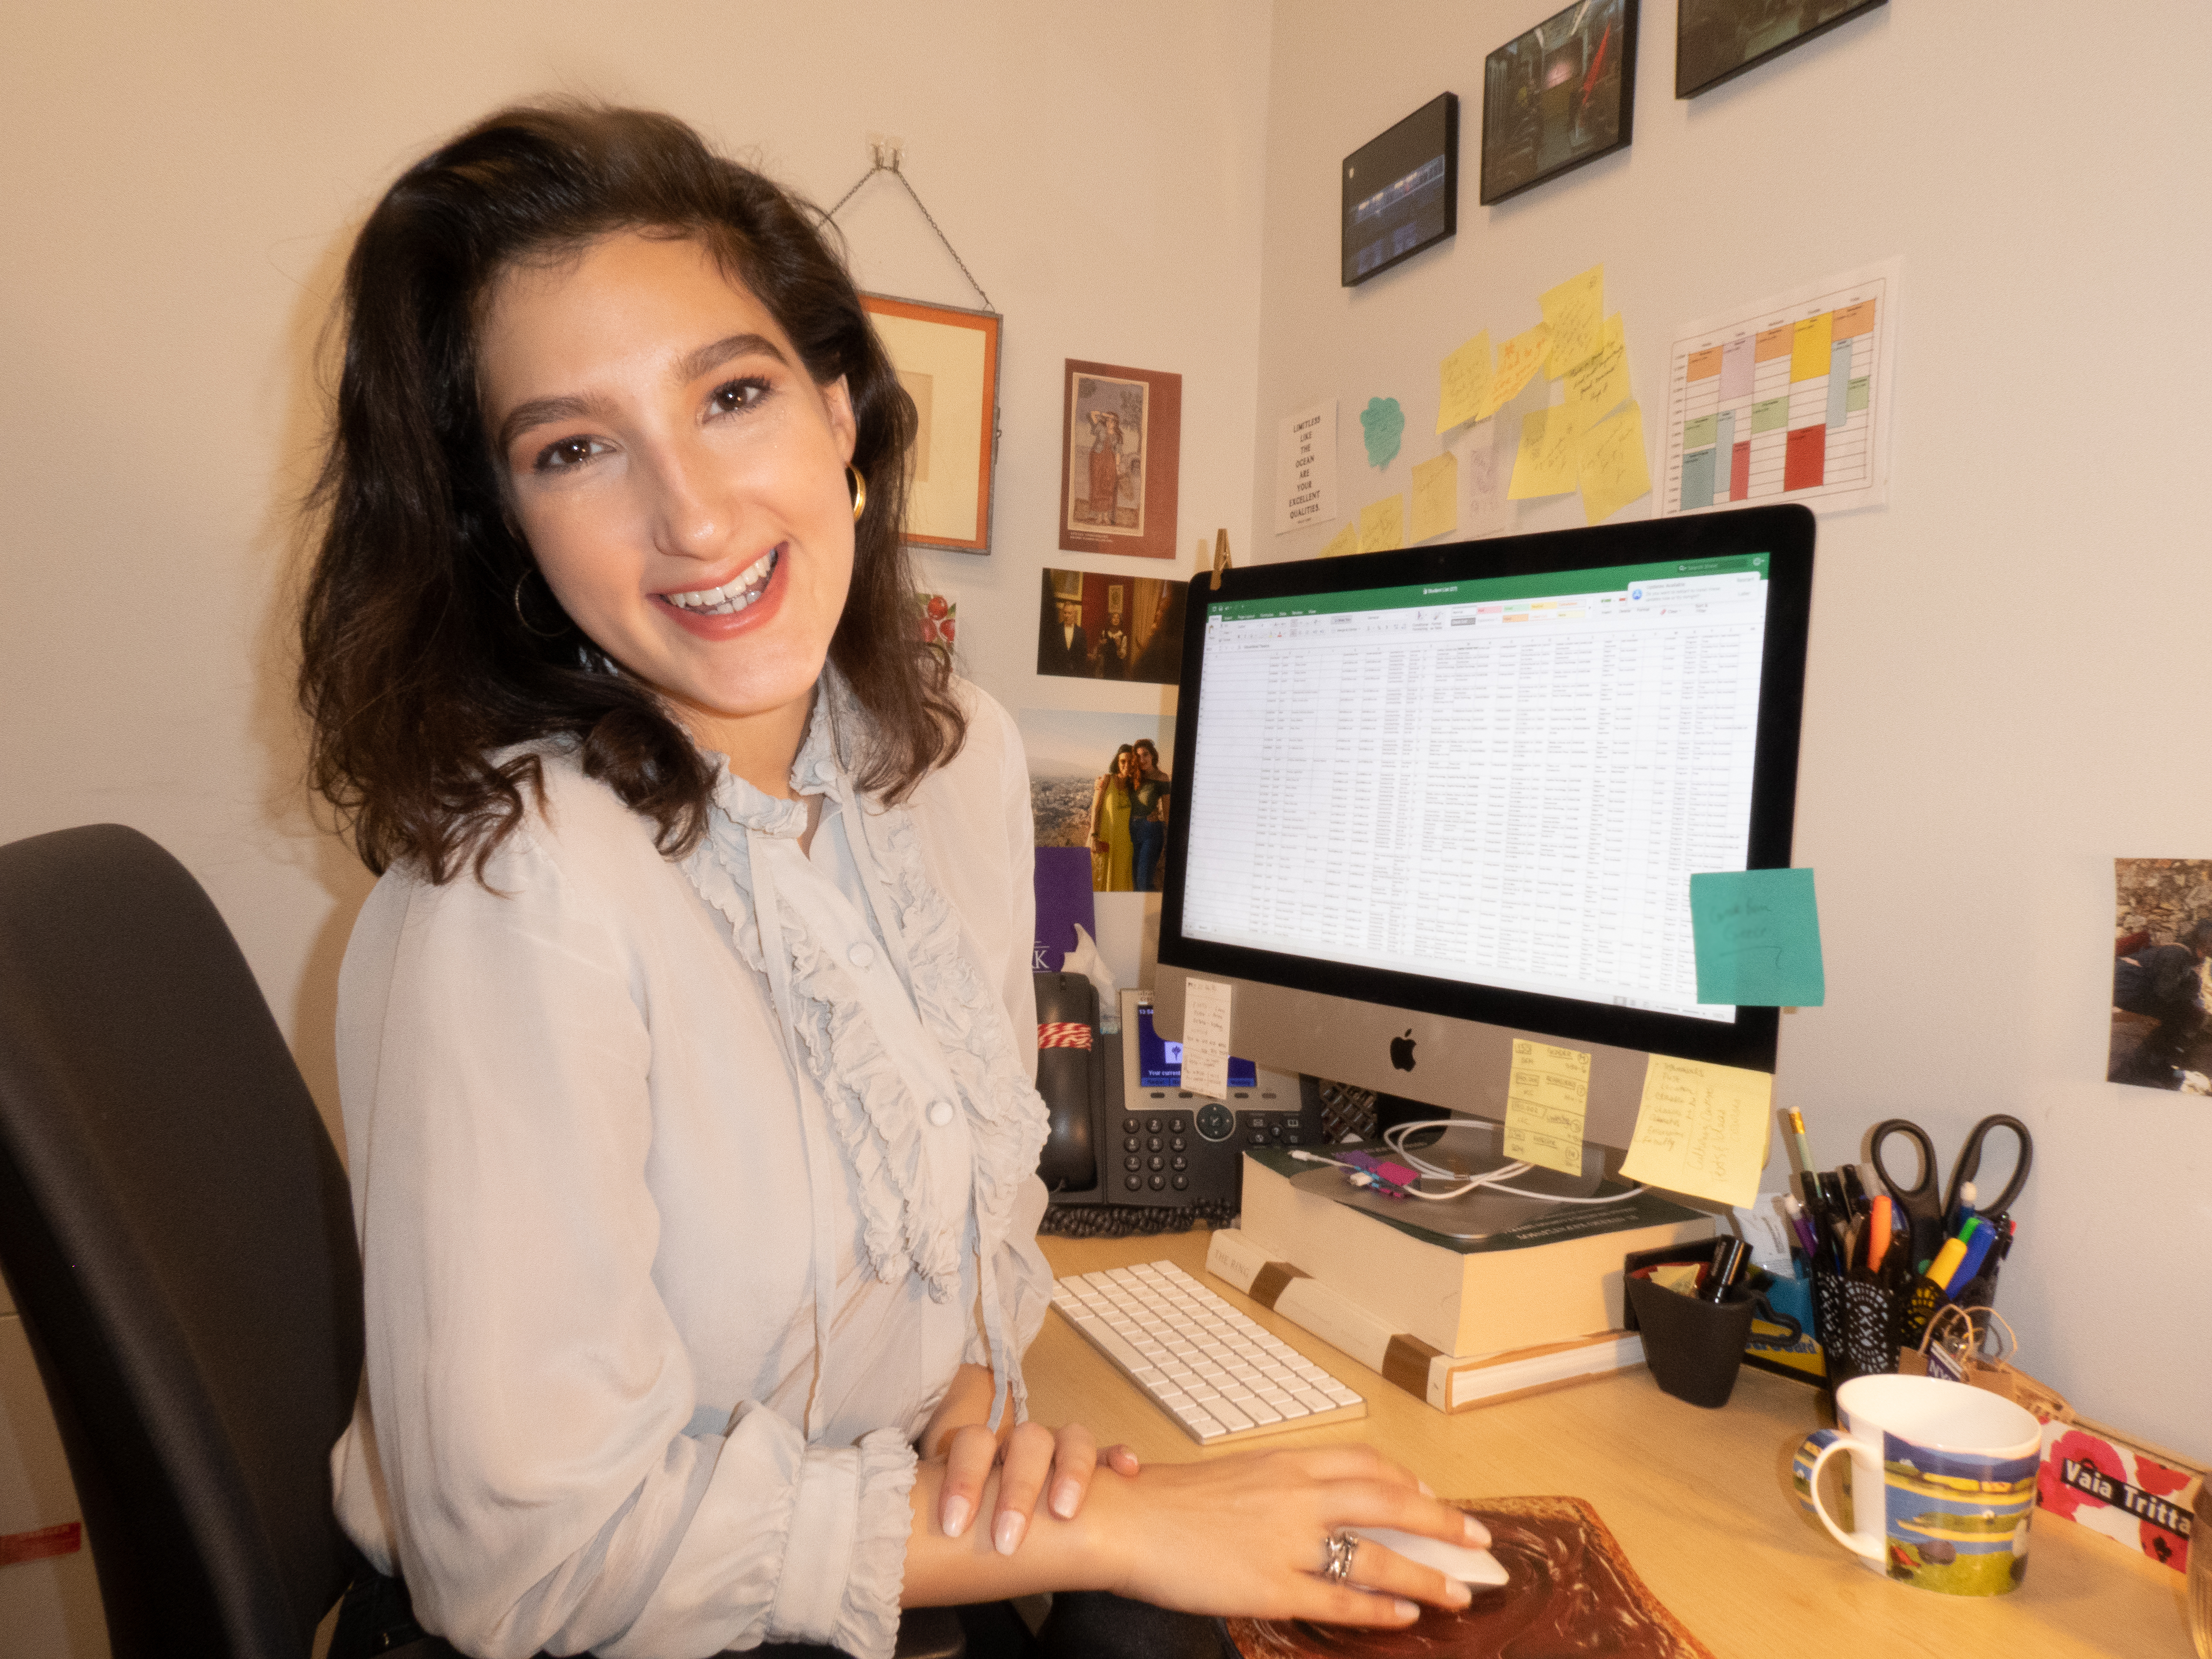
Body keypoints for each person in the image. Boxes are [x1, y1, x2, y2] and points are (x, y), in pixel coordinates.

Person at [296, 102, 1479, 1659]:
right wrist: (1121, 1516)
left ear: (841, 410)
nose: (695, 514)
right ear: (502, 522)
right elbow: (535, 1558)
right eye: (574, 447)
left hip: (859, 1550)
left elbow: (964, 1231)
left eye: (731, 394)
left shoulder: (954, 765)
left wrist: (982, 1400)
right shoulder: (516, 892)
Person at [2113, 919, 2212, 1086]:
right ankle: (2147, 1062)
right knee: (2179, 1014)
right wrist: (2190, 991)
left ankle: (2160, 1058)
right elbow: (2165, 993)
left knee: (2188, 1012)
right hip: (2125, 990)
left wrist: (2192, 988)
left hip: (2138, 990)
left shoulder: (2192, 958)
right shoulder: (2176, 954)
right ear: (2203, 943)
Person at [1088, 745, 1138, 893]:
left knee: (1121, 884)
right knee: (1101, 884)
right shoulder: (1107, 780)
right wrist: (1094, 837)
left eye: (1130, 762)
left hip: (1126, 845)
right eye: (1123, 761)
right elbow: (1096, 809)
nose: (1127, 765)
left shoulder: (1134, 786)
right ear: (1117, 762)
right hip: (1106, 840)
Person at [1130, 739, 1170, 894]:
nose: (1142, 760)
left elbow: (1167, 811)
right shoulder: (1135, 777)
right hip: (1131, 832)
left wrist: (1167, 836)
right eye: (1138, 757)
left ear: (1153, 755)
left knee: (1144, 881)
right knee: (1134, 881)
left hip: (1151, 832)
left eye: (1146, 755)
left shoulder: (1162, 778)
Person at [1085, 409, 1121, 526]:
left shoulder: (1117, 437)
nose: (1109, 423)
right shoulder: (1101, 429)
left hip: (1110, 463)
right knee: (1098, 487)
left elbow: (1118, 453)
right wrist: (1102, 415)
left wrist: (1118, 467)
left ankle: (1106, 516)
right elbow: (1093, 416)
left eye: (1112, 421)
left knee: (1108, 487)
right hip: (1098, 461)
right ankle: (1099, 516)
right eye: (1108, 420)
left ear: (1116, 423)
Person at [1039, 590, 1088, 677]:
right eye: (1065, 613)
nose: (1067, 615)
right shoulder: (1055, 630)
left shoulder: (1081, 632)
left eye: (1070, 613)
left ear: (1075, 614)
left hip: (1075, 674)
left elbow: (1083, 657)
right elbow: (1050, 654)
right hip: (1058, 673)